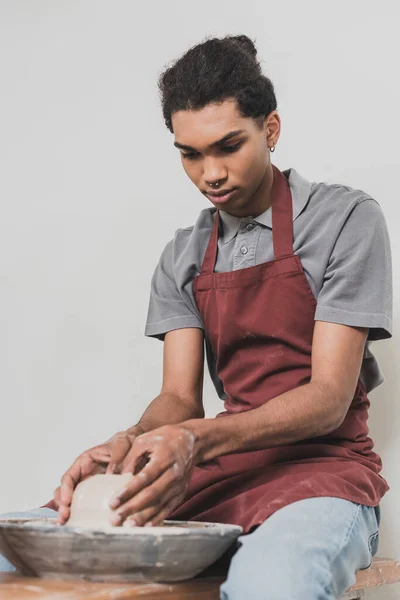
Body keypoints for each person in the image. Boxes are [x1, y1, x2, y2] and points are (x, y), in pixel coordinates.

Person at [0, 34, 392, 600]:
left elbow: (329, 397)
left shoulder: (344, 220)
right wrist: (130, 442)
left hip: (325, 476)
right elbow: (179, 400)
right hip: (220, 470)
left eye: (228, 146)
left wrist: (192, 439)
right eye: (190, 153)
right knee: (18, 552)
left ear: (271, 130)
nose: (210, 173)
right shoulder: (183, 254)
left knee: (271, 583)